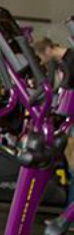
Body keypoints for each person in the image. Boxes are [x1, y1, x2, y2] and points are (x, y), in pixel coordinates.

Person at [31, 35, 74, 206]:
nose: (42, 62)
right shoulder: (65, 61)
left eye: (41, 57)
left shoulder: (70, 61)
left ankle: (69, 217)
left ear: (48, 50)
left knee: (72, 163)